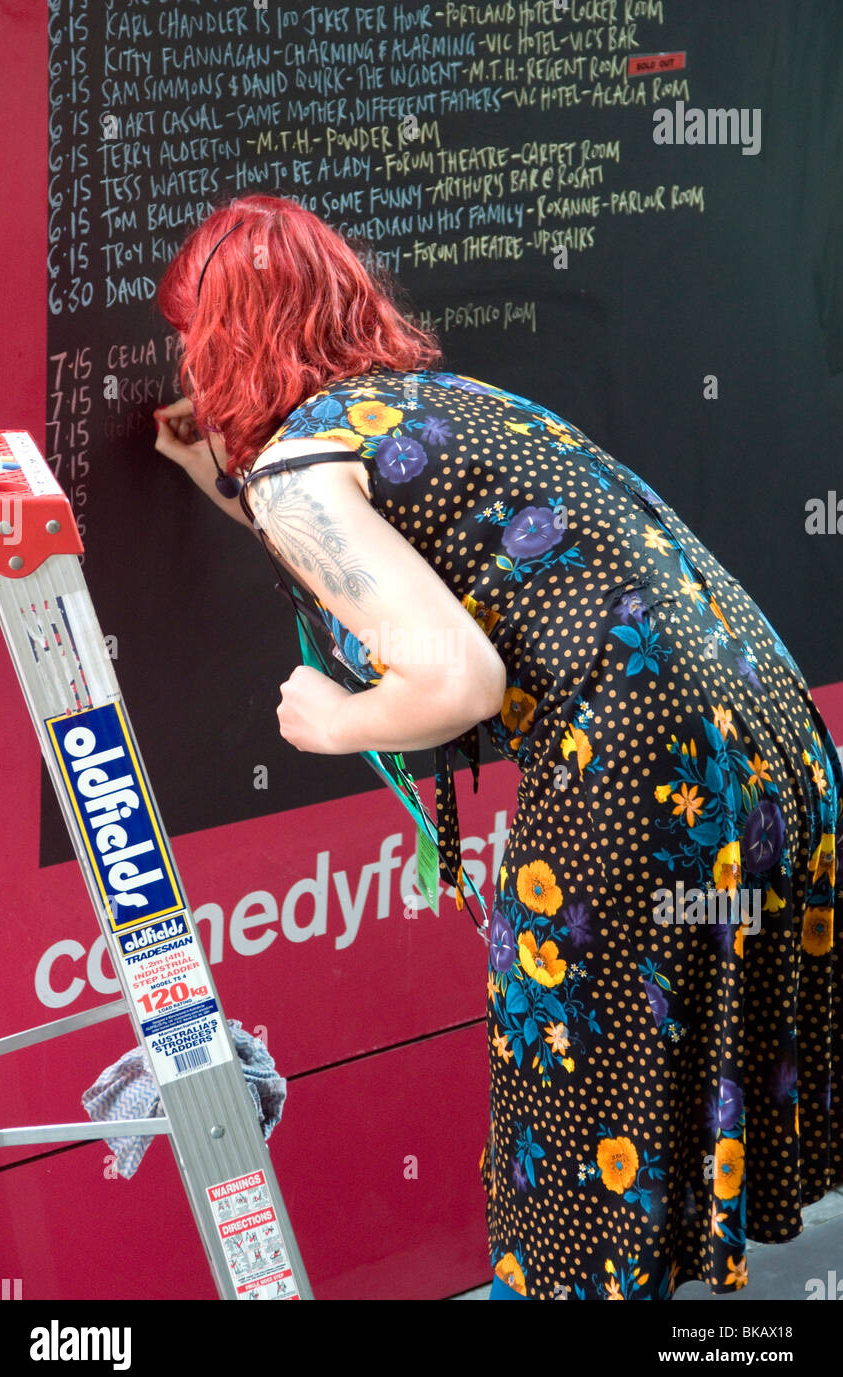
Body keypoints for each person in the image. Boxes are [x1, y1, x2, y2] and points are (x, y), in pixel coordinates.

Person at [154, 193, 843, 1301]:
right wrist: (216, 478)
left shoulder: (298, 472)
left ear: (221, 341)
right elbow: (383, 553)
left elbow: (454, 678)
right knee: (640, 1094)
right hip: (769, 754)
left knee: (573, 1128)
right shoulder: (436, 402)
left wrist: (333, 721)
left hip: (631, 772)